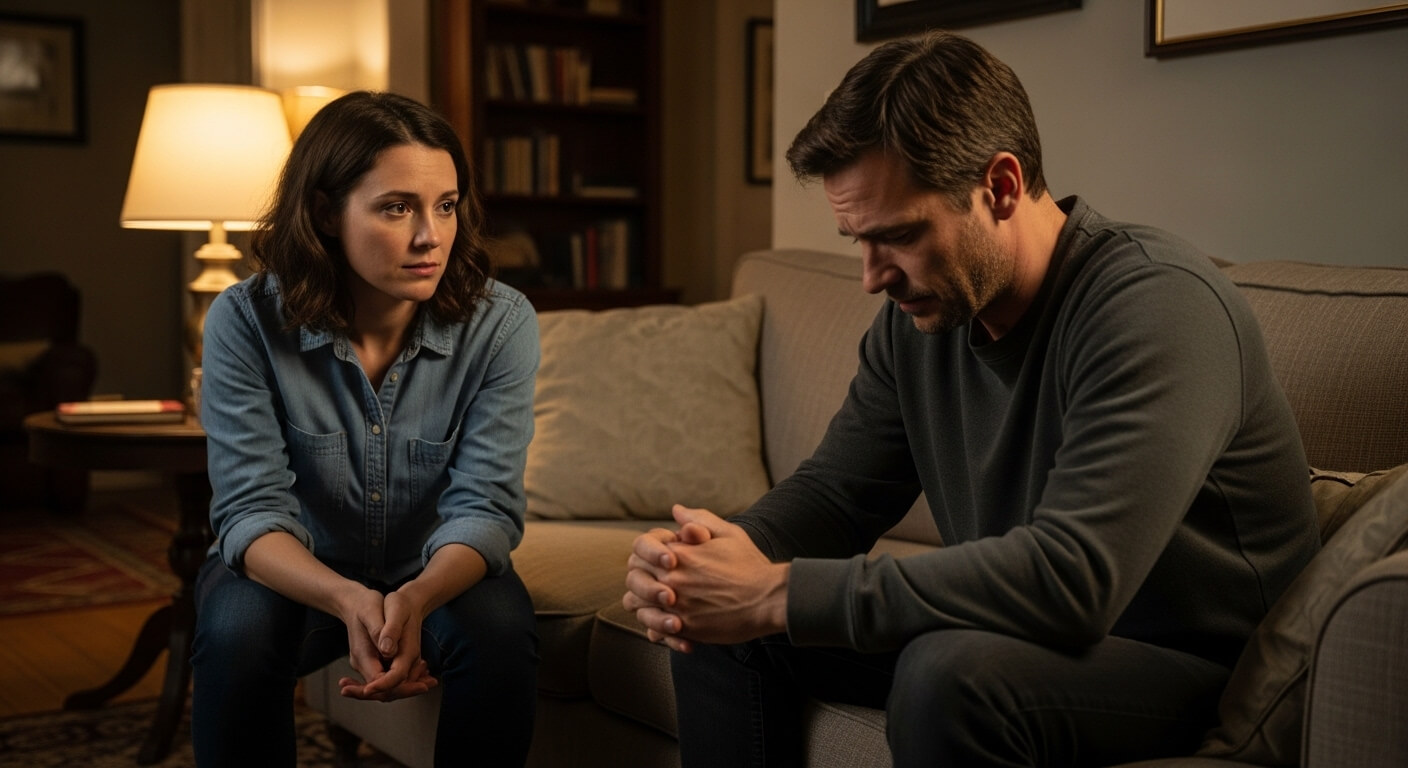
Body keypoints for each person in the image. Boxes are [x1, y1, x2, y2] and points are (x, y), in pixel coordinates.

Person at [623, 31, 1320, 767]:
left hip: (1205, 673)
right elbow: (835, 495)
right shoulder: (921, 321)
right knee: (713, 626)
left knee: (947, 676)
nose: (871, 278)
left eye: (896, 236)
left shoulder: (1157, 307)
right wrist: (706, 565)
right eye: (856, 241)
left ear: (1002, 186)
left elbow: (1072, 577)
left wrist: (778, 593)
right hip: (1021, 635)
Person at [192, 91, 539, 766]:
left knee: (499, 632)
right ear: (325, 213)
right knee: (235, 631)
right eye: (395, 207)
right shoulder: (245, 321)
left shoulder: (501, 323)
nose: (429, 236)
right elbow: (249, 510)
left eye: (445, 205)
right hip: (295, 570)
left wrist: (414, 597)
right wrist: (347, 598)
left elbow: (487, 507)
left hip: (433, 568)